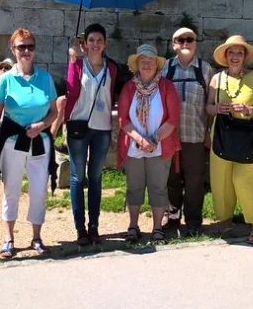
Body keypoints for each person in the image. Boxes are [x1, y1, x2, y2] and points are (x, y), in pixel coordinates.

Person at [0, 28, 58, 258]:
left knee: (38, 191)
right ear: (13, 49)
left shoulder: (45, 78)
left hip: (39, 141)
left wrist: (41, 126)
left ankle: (37, 237)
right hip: (12, 142)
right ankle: (9, 237)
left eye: (30, 46)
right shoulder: (5, 80)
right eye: (21, 47)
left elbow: (54, 112)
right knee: (12, 189)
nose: (26, 51)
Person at [205, 35, 253, 244]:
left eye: (239, 52)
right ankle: (225, 220)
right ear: (225, 56)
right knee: (220, 179)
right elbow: (208, 108)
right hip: (220, 135)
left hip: (246, 136)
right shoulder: (216, 79)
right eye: (231, 52)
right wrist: (217, 108)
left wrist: (249, 109)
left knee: (244, 179)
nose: (235, 56)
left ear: (244, 56)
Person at [117, 44, 180, 244]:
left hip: (159, 146)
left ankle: (157, 228)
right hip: (134, 147)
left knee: (158, 187)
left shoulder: (166, 87)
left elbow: (173, 119)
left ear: (156, 64)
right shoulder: (129, 88)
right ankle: (133, 226)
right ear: (137, 65)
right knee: (134, 187)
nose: (146, 64)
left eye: (150, 60)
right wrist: (140, 140)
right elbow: (123, 119)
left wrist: (153, 140)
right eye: (142, 60)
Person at [64, 23, 119, 246]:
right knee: (77, 177)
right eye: (91, 40)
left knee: (95, 177)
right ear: (84, 44)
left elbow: (111, 95)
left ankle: (94, 226)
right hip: (79, 125)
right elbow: (71, 90)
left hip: (102, 128)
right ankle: (80, 228)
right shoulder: (77, 64)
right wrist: (72, 62)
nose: (95, 44)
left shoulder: (112, 68)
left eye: (99, 40)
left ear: (105, 44)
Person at [160, 27, 214, 237]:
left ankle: (193, 221)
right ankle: (172, 217)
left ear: (195, 43)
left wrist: (209, 133)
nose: (185, 43)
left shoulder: (205, 70)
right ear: (173, 44)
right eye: (180, 40)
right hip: (170, 136)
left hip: (195, 135)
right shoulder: (165, 68)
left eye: (189, 39)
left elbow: (211, 104)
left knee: (194, 181)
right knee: (171, 179)